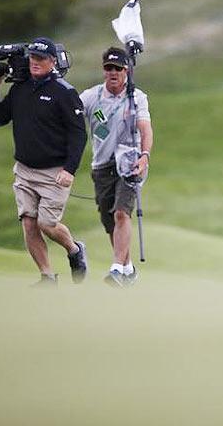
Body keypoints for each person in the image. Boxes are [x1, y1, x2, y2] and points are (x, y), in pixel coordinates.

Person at [0, 36, 88, 286]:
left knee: (47, 224)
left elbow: (78, 134)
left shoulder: (64, 92)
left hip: (55, 172)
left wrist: (70, 169)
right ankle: (47, 276)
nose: (35, 62)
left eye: (40, 58)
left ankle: (74, 250)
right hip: (24, 170)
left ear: (52, 61)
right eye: (32, 57)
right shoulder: (20, 87)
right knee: (29, 223)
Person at [80, 47, 153, 287]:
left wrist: (144, 155)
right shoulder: (92, 97)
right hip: (101, 165)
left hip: (129, 162)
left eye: (118, 69)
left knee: (122, 212)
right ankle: (128, 269)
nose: (113, 73)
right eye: (108, 68)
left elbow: (145, 127)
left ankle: (116, 270)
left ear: (127, 71)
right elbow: (70, 117)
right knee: (109, 221)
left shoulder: (137, 97)